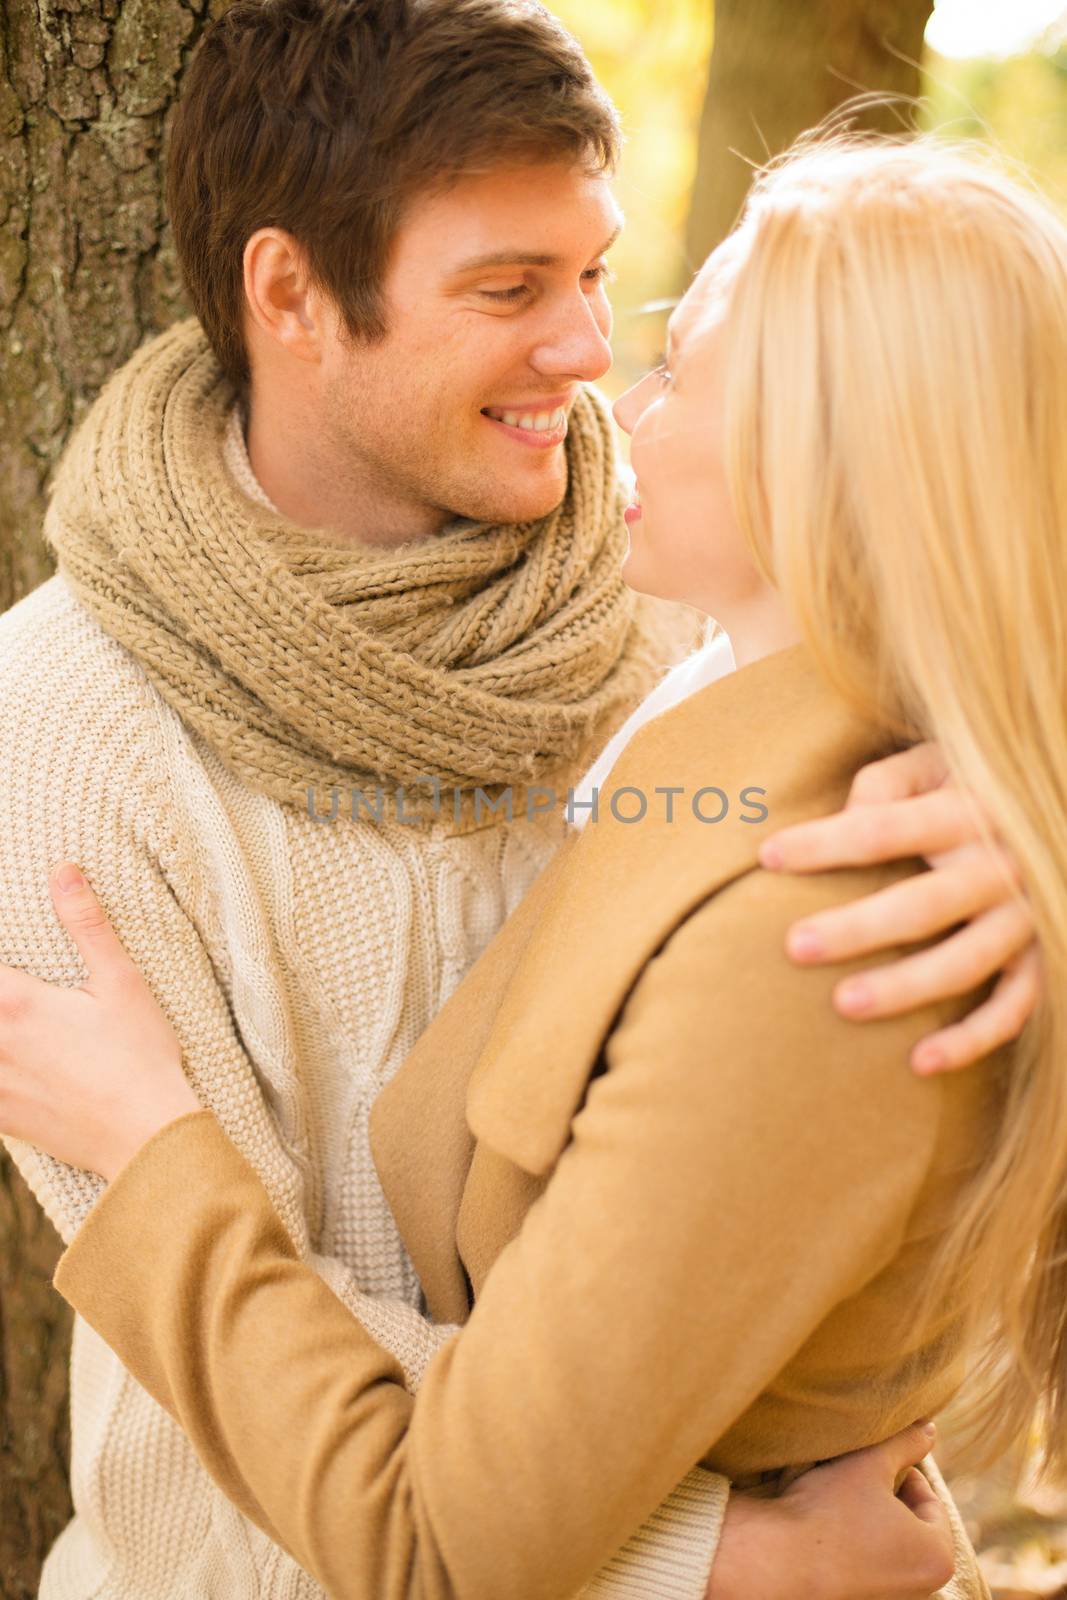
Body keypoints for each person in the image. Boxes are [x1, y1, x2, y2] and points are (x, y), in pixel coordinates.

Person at [1, 124, 1058, 1600]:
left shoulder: (834, 914)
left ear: (831, 458)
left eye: (673, 361)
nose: (604, 387)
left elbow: (441, 1540)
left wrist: (149, 1156)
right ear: (289, 294)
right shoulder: (705, 694)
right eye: (509, 289)